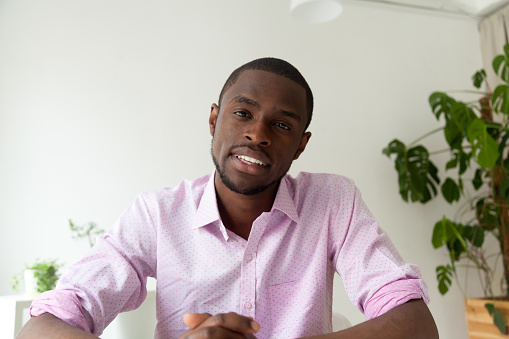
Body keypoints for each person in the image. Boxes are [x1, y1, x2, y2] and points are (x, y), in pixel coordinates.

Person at [16, 58, 438, 339]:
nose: (258, 133)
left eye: (282, 124)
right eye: (242, 113)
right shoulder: (157, 214)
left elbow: (416, 324)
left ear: (301, 146)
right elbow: (41, 327)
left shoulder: (332, 201)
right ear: (215, 118)